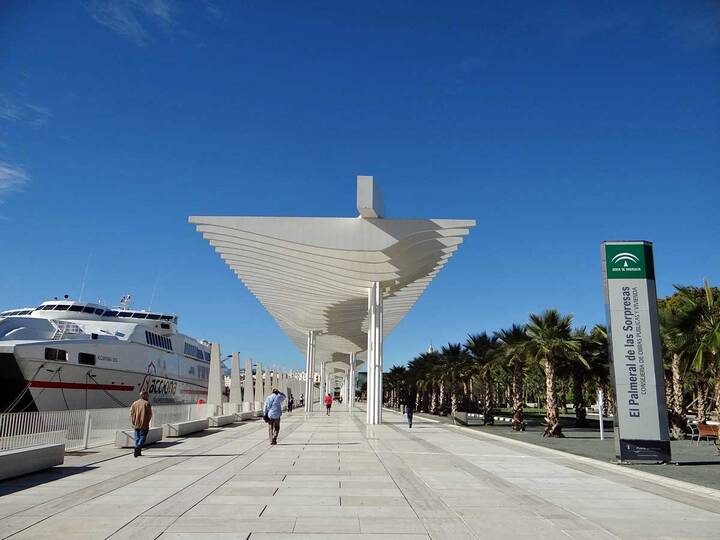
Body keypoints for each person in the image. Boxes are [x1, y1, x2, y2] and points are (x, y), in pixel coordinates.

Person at [129, 391, 152, 457]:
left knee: (137, 437)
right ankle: (138, 447)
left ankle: (138, 452)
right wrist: (148, 421)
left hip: (136, 423)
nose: (148, 397)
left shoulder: (134, 403)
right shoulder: (147, 403)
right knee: (143, 437)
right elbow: (150, 414)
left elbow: (130, 413)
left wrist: (133, 421)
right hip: (144, 423)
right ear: (144, 395)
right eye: (147, 395)